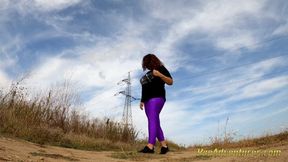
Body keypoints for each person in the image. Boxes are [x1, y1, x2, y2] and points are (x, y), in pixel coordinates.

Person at [138, 54, 173, 154]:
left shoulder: (161, 68)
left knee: (152, 121)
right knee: (154, 121)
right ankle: (164, 146)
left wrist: (160, 75)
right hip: (147, 101)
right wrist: (142, 101)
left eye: (147, 63)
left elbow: (170, 82)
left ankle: (150, 146)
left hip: (157, 98)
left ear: (152, 61)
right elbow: (144, 89)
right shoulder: (147, 75)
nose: (146, 66)